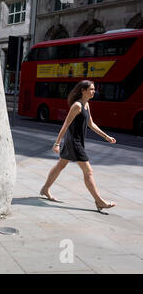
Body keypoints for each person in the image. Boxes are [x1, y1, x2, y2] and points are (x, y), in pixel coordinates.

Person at [39, 80, 117, 212]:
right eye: (91, 89)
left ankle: (45, 189)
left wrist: (106, 137)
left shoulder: (86, 105)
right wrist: (57, 143)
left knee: (60, 166)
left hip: (77, 142)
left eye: (94, 89)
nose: (94, 91)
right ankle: (99, 201)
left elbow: (91, 124)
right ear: (83, 90)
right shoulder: (77, 106)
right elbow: (65, 125)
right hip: (73, 143)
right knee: (88, 171)